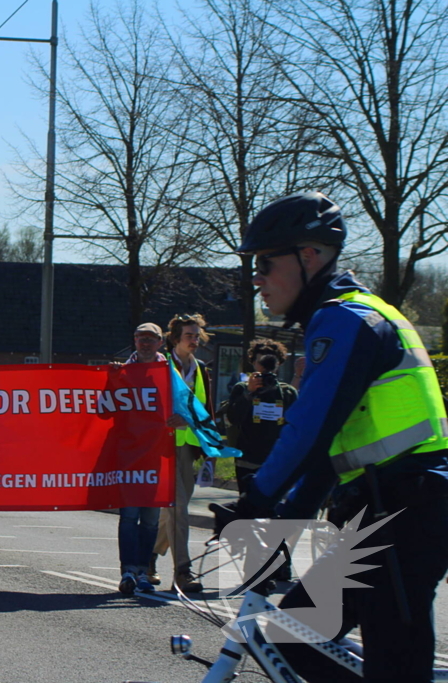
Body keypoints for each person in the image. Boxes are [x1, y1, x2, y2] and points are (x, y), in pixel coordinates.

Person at [229, 191, 448, 683]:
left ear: (308, 256)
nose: (256, 278)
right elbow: (328, 452)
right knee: (292, 640)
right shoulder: (347, 316)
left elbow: (310, 427)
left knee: (395, 667)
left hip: (408, 510)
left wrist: (257, 497)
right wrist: (285, 515)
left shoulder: (346, 319)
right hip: (382, 508)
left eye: (264, 263)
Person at [151, 313, 214, 593]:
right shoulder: (161, 365)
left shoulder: (200, 368)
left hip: (188, 446)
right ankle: (182, 572)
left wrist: (208, 444)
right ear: (175, 339)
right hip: (163, 447)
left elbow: (204, 407)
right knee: (178, 509)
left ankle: (148, 557)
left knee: (174, 511)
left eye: (197, 336)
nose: (195, 340)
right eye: (189, 336)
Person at [117, 322, 166, 594]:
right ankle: (127, 571)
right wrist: (111, 378)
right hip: (129, 455)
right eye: (140, 338)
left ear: (160, 342)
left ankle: (143, 571)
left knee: (150, 520)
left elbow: (184, 405)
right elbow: (103, 410)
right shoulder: (122, 371)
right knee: (129, 517)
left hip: (157, 455)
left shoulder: (169, 373)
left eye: (151, 339)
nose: (145, 343)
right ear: (134, 341)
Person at [225, 338, 298, 494]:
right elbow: (233, 418)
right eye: (261, 363)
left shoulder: (287, 392)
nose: (265, 369)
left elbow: (296, 426)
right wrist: (249, 393)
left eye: (270, 363)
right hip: (248, 459)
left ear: (278, 364)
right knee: (246, 502)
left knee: (271, 503)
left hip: (276, 459)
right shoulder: (242, 388)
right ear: (253, 363)